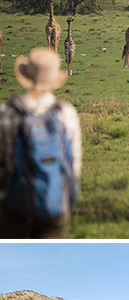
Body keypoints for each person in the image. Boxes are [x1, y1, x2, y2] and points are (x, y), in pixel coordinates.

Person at [0, 48, 82, 238]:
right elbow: (74, 165)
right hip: (55, 204)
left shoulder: (7, 112)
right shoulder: (66, 112)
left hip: (15, 203)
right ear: (54, 80)